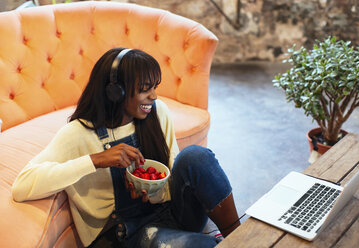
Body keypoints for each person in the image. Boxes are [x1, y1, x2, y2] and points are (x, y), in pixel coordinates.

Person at [12, 48, 240, 248]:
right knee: (206, 245)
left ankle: (242, 237)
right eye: (145, 89)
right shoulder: (77, 134)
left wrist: (153, 193)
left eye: (154, 87)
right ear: (115, 92)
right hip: (128, 235)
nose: (154, 96)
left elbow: (172, 166)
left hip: (173, 212)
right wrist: (96, 160)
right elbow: (22, 186)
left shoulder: (157, 112)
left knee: (195, 156)